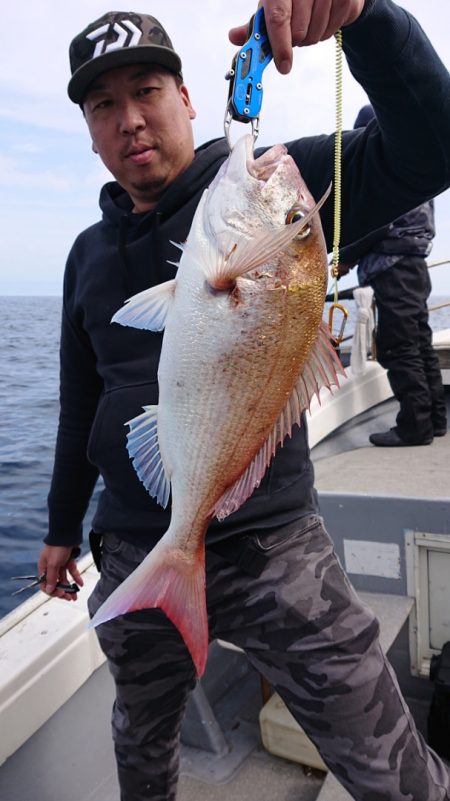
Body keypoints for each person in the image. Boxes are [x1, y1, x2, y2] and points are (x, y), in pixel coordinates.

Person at [37, 2, 450, 800]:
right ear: (89, 131)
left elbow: (433, 146)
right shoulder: (86, 256)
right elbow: (80, 398)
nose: (129, 119)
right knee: (143, 743)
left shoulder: (280, 198)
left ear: (188, 98)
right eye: (103, 104)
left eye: (147, 90)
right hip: (136, 546)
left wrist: (367, 20)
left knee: (394, 771)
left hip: (275, 545)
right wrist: (59, 530)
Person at [337, 104, 448, 447]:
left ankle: (415, 426)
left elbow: (375, 224)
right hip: (414, 265)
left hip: (392, 267)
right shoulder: (412, 166)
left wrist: (345, 258)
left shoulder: (383, 173)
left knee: (399, 346)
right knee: (418, 341)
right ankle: (436, 419)